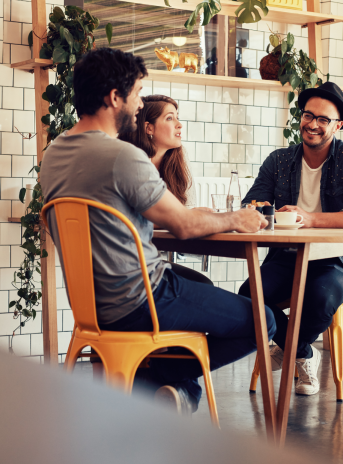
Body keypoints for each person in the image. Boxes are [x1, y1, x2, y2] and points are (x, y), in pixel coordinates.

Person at [41, 48, 273, 414]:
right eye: (135, 94)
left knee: (203, 287)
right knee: (264, 320)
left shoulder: (53, 155)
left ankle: (167, 387)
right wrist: (234, 218)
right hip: (141, 297)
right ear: (114, 97)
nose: (138, 105)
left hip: (92, 305)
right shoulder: (122, 156)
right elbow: (183, 226)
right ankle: (156, 380)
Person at [238, 81, 343, 396]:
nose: (313, 124)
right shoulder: (279, 161)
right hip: (289, 255)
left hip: (339, 261)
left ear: (338, 125)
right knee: (249, 292)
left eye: (323, 119)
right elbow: (252, 205)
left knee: (317, 298)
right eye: (308, 116)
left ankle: (288, 349)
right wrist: (265, 213)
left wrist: (310, 218)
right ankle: (303, 352)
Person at [119, 95, 212, 286]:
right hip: (128, 266)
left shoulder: (175, 163)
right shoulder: (130, 165)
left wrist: (185, 215)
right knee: (203, 285)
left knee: (203, 283)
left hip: (149, 260)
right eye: (170, 118)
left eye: (177, 117)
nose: (179, 125)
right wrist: (181, 217)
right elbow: (126, 221)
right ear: (148, 128)